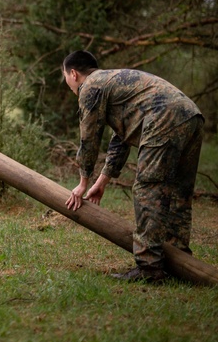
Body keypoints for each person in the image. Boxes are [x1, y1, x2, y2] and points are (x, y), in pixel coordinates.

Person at [62, 50, 204, 282]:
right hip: (192, 116)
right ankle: (180, 264)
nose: (68, 84)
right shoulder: (115, 82)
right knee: (179, 193)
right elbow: (121, 138)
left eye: (66, 78)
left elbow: (88, 138)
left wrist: (82, 182)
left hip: (164, 117)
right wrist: (101, 183)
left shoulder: (91, 87)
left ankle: (150, 269)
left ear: (74, 74)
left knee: (148, 189)